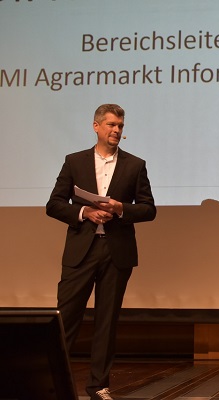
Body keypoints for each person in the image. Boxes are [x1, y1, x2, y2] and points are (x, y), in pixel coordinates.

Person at [46, 104, 156, 400]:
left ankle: (98, 386)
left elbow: (149, 209)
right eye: (111, 125)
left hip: (116, 252)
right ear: (96, 126)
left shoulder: (135, 165)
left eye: (120, 126)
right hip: (81, 251)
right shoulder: (74, 161)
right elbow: (54, 204)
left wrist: (121, 208)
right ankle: (50, 382)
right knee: (65, 319)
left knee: (106, 322)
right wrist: (84, 212)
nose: (116, 130)